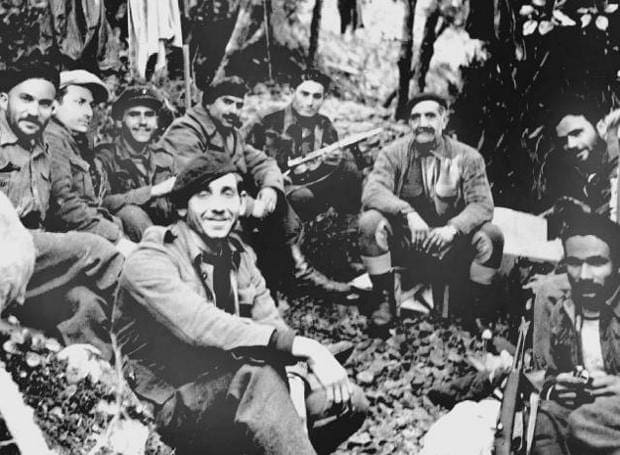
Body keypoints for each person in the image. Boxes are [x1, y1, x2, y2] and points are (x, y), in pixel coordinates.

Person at [113, 154, 368, 455]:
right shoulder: (151, 257)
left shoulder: (239, 258)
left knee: (347, 401)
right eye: (203, 195)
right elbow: (201, 325)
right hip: (165, 405)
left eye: (228, 194)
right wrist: (305, 347)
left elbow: (271, 324)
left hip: (232, 394)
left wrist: (296, 378)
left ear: (240, 203)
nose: (218, 206)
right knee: (258, 377)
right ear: (182, 207)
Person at [158, 76, 350, 296]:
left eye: (239, 105)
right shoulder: (186, 131)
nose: (234, 110)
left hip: (221, 203)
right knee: (259, 223)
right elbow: (194, 184)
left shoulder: (229, 132)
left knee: (278, 202)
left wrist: (270, 188)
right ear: (209, 103)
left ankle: (292, 274)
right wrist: (250, 206)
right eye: (227, 102)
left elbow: (262, 162)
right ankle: (288, 276)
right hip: (181, 212)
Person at [0, 62, 124, 359]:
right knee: (95, 249)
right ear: (4, 100)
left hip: (29, 266)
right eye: (26, 99)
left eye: (44, 103)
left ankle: (98, 378)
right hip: (7, 252)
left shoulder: (41, 145)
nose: (34, 111)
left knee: (84, 302)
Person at [358, 93, 504, 332]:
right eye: (415, 117)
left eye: (430, 116)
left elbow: (482, 204)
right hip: (407, 242)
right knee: (370, 222)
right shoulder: (393, 153)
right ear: (409, 123)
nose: (422, 123)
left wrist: (453, 229)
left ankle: (476, 309)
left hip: (452, 246)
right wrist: (407, 213)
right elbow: (373, 192)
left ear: (444, 121)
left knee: (491, 236)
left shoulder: (469, 157)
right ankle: (384, 300)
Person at [532, 211, 620, 455]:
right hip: (585, 411)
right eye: (574, 263)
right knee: (540, 419)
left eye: (597, 263)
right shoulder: (562, 310)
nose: (584, 275)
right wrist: (558, 387)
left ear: (617, 264)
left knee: (582, 423)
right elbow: (550, 375)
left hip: (603, 414)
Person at [243, 70, 362, 221]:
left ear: (324, 97)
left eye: (317, 96)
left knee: (350, 170)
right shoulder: (267, 119)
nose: (310, 102)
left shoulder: (325, 125)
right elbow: (241, 154)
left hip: (311, 183)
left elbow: (328, 170)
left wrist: (333, 160)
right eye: (304, 94)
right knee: (302, 197)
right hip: (276, 185)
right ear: (292, 91)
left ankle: (346, 225)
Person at [44, 69, 135, 255]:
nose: (89, 113)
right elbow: (63, 206)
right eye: (80, 102)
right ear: (54, 104)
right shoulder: (52, 139)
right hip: (71, 240)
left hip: (88, 231)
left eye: (91, 105)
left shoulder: (71, 141)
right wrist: (116, 238)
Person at [96, 86, 176, 241]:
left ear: (157, 122)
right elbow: (101, 203)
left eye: (149, 115)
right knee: (131, 213)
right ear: (121, 121)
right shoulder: (106, 157)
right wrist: (152, 192)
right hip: (127, 237)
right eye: (134, 115)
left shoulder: (165, 159)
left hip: (166, 231)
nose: (143, 122)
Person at [542, 99, 620, 218]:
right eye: (563, 141)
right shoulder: (591, 180)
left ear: (600, 126)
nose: (570, 145)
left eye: (576, 133)